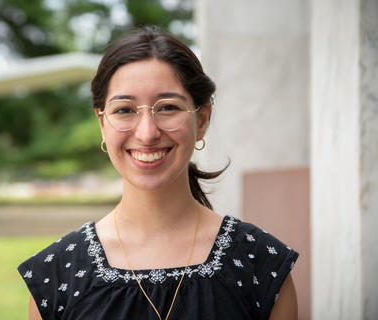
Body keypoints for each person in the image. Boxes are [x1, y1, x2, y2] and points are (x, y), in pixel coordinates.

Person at [18, 27, 299, 320]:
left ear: (201, 119)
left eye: (167, 107)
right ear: (102, 124)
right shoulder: (56, 275)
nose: (147, 133)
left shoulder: (261, 265)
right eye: (124, 110)